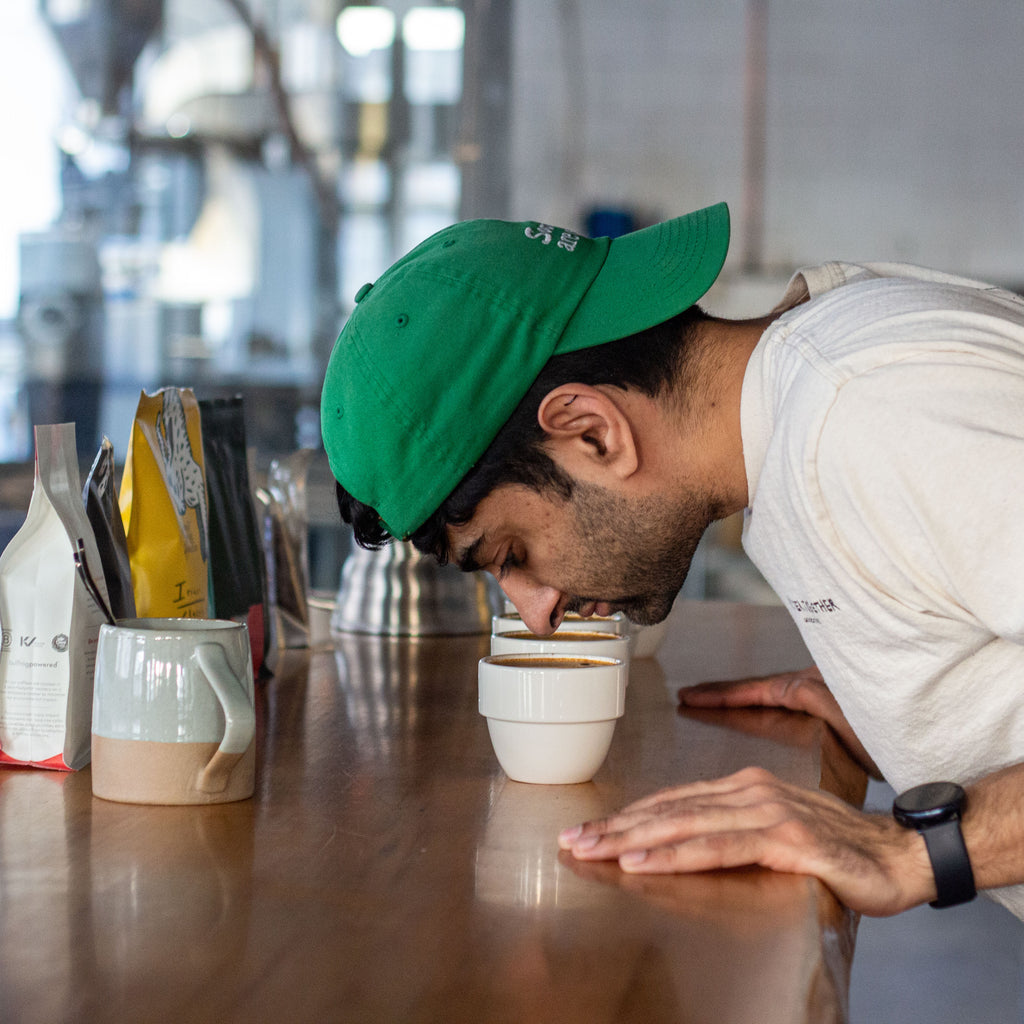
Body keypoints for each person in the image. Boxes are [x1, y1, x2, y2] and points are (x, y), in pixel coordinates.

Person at [320, 202, 1024, 920]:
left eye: (512, 553)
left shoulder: (871, 410)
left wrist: (910, 852)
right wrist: (916, 726)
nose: (536, 614)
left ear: (593, 432)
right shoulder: (802, 404)